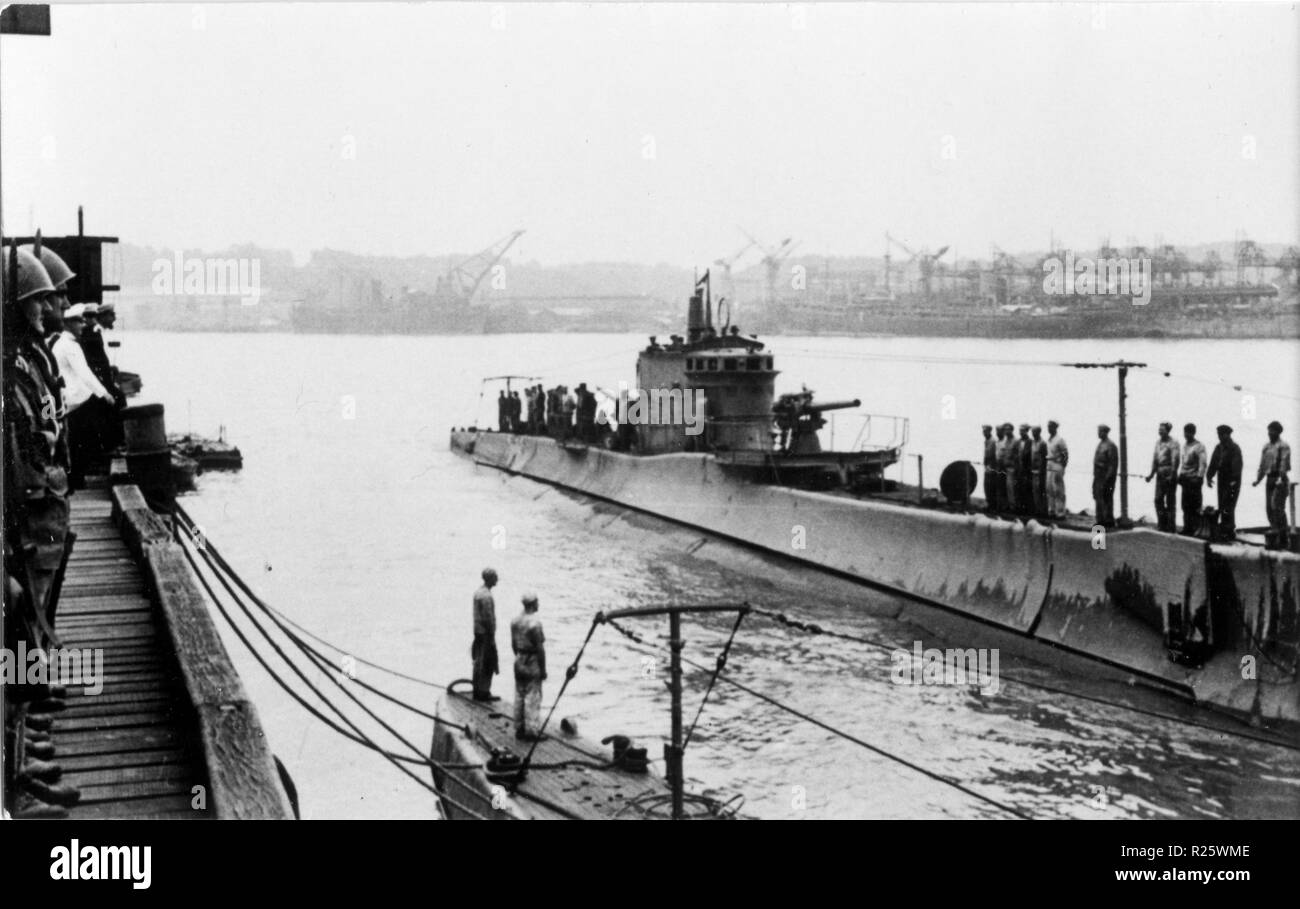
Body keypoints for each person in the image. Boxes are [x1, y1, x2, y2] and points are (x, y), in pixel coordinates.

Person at [52, 305, 115, 489]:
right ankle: (76, 480)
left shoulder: (66, 344)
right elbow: (84, 372)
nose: (83, 325)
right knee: (81, 442)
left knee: (78, 442)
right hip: (76, 402)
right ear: (69, 324)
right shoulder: (69, 345)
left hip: (74, 401)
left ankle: (77, 478)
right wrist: (104, 393)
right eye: (79, 321)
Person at [510, 592, 547, 741]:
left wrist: (520, 657)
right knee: (532, 696)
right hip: (532, 660)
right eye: (537, 602)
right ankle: (531, 731)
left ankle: (519, 727)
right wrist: (543, 669)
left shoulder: (515, 621)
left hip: (519, 658)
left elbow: (513, 644)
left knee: (519, 694)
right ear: (533, 603)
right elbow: (540, 648)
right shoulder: (535, 624)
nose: (539, 604)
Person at [1253, 421, 1291, 546]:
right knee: (1269, 509)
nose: (1270, 433)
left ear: (1278, 432)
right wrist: (1258, 479)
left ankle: (1283, 537)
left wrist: (1281, 478)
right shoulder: (1266, 447)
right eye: (1269, 430)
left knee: (1277, 508)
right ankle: (1275, 535)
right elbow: (1263, 465)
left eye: (1273, 431)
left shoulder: (1283, 446)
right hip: (1270, 479)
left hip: (1280, 479)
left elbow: (1284, 463)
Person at [1206, 424, 1243, 539]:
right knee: (1222, 504)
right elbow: (1213, 462)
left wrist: (1233, 480)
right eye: (1218, 434)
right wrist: (1209, 476)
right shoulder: (1218, 447)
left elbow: (1237, 466)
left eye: (1221, 434)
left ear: (1227, 434)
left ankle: (1229, 530)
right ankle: (1224, 529)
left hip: (1232, 481)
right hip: (1221, 479)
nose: (1219, 437)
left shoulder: (1234, 448)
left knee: (1229, 505)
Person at [471, 568, 500, 702]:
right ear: (490, 579)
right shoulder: (487, 596)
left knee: (478, 661)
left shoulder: (478, 592)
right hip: (486, 633)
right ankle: (484, 691)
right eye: (495, 577)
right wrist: (492, 636)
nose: (497, 579)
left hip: (478, 632)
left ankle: (477, 689)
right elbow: (488, 618)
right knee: (488, 663)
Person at [1145, 422, 1180, 533]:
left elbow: (1176, 460)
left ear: (1168, 430)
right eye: (1159, 429)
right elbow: (1155, 460)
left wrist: (1172, 474)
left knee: (1170, 501)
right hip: (1160, 474)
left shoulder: (1173, 443)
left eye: (1162, 429)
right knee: (1158, 499)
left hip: (1169, 473)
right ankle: (1162, 524)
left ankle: (1171, 527)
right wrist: (1151, 475)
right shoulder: (1158, 443)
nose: (1160, 431)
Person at [1179, 423, 1207, 536]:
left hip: (1194, 480)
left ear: (1193, 433)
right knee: (1185, 506)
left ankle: (1196, 529)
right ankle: (1187, 528)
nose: (1186, 435)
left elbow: (1203, 463)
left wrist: (1200, 477)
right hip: (1185, 480)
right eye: (1185, 432)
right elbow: (1183, 463)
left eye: (1189, 432)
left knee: (1195, 506)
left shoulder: (1199, 446)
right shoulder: (1185, 446)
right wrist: (1180, 475)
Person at [1092, 425, 1118, 527]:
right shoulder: (1100, 444)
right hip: (1098, 476)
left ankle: (1108, 520)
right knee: (1098, 497)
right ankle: (1100, 520)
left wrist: (1107, 479)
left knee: (1106, 498)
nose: (1098, 433)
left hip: (1106, 477)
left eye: (1100, 431)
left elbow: (1113, 465)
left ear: (1105, 432)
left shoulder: (1110, 446)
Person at [1045, 420, 1068, 518]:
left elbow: (1065, 454)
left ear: (1055, 428)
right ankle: (1052, 510)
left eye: (1050, 427)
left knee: (1058, 489)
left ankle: (1060, 512)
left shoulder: (1059, 440)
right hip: (1049, 464)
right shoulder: (1049, 439)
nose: (1049, 429)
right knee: (1049, 489)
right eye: (1048, 427)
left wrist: (1062, 466)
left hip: (1057, 464)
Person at [995, 423, 1014, 513]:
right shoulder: (999, 442)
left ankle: (1008, 506)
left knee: (1007, 487)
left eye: (1000, 431)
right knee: (1000, 486)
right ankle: (1001, 505)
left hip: (1007, 467)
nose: (998, 433)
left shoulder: (1005, 442)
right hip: (999, 467)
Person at [1030, 425, 1048, 518]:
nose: (1033, 433)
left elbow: (1044, 458)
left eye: (1034, 431)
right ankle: (1037, 509)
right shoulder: (1033, 442)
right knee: (1034, 491)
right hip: (1033, 470)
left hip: (1040, 471)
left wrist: (1041, 471)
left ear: (1039, 432)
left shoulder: (1042, 443)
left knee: (1040, 491)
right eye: (1032, 432)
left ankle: (1042, 511)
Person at [1015, 424, 1033, 515]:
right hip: (1019, 469)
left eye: (1023, 431)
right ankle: (1019, 508)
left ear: (1027, 431)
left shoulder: (1030, 442)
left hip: (1027, 469)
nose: (1021, 432)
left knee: (1027, 489)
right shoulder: (1018, 442)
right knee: (1019, 488)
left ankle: (1027, 509)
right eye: (1020, 430)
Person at [981, 425, 998, 511]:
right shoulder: (986, 441)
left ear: (989, 431)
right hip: (987, 466)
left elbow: (994, 455)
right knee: (986, 485)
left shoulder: (993, 441)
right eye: (983, 431)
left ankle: (992, 505)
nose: (984, 433)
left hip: (992, 466)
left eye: (985, 431)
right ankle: (989, 503)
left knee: (991, 485)